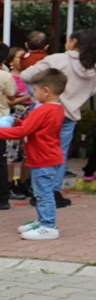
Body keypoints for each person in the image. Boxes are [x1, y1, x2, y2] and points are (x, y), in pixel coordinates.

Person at [20, 29, 96, 208]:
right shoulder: (95, 67)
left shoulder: (58, 59)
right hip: (70, 113)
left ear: (73, 41)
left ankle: (39, 192)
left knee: (39, 151)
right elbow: (93, 91)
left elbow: (25, 76)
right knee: (60, 153)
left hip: (46, 111)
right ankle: (54, 191)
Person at [0, 68, 66, 239]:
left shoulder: (43, 110)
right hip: (48, 157)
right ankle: (42, 220)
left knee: (43, 194)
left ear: (46, 91)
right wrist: (17, 122)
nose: (33, 94)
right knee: (41, 192)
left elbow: (22, 132)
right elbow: (33, 128)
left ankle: (49, 225)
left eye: (35, 90)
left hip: (43, 158)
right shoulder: (56, 108)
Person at [5, 47, 32, 201]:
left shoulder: (30, 78)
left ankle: (24, 182)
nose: (23, 60)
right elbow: (9, 101)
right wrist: (29, 96)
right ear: (10, 61)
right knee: (11, 151)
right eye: (19, 57)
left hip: (29, 114)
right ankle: (9, 184)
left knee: (28, 149)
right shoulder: (9, 77)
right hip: (14, 115)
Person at [0, 43, 17, 211]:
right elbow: (11, 97)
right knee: (0, 161)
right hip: (1, 123)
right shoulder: (5, 76)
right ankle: (3, 198)